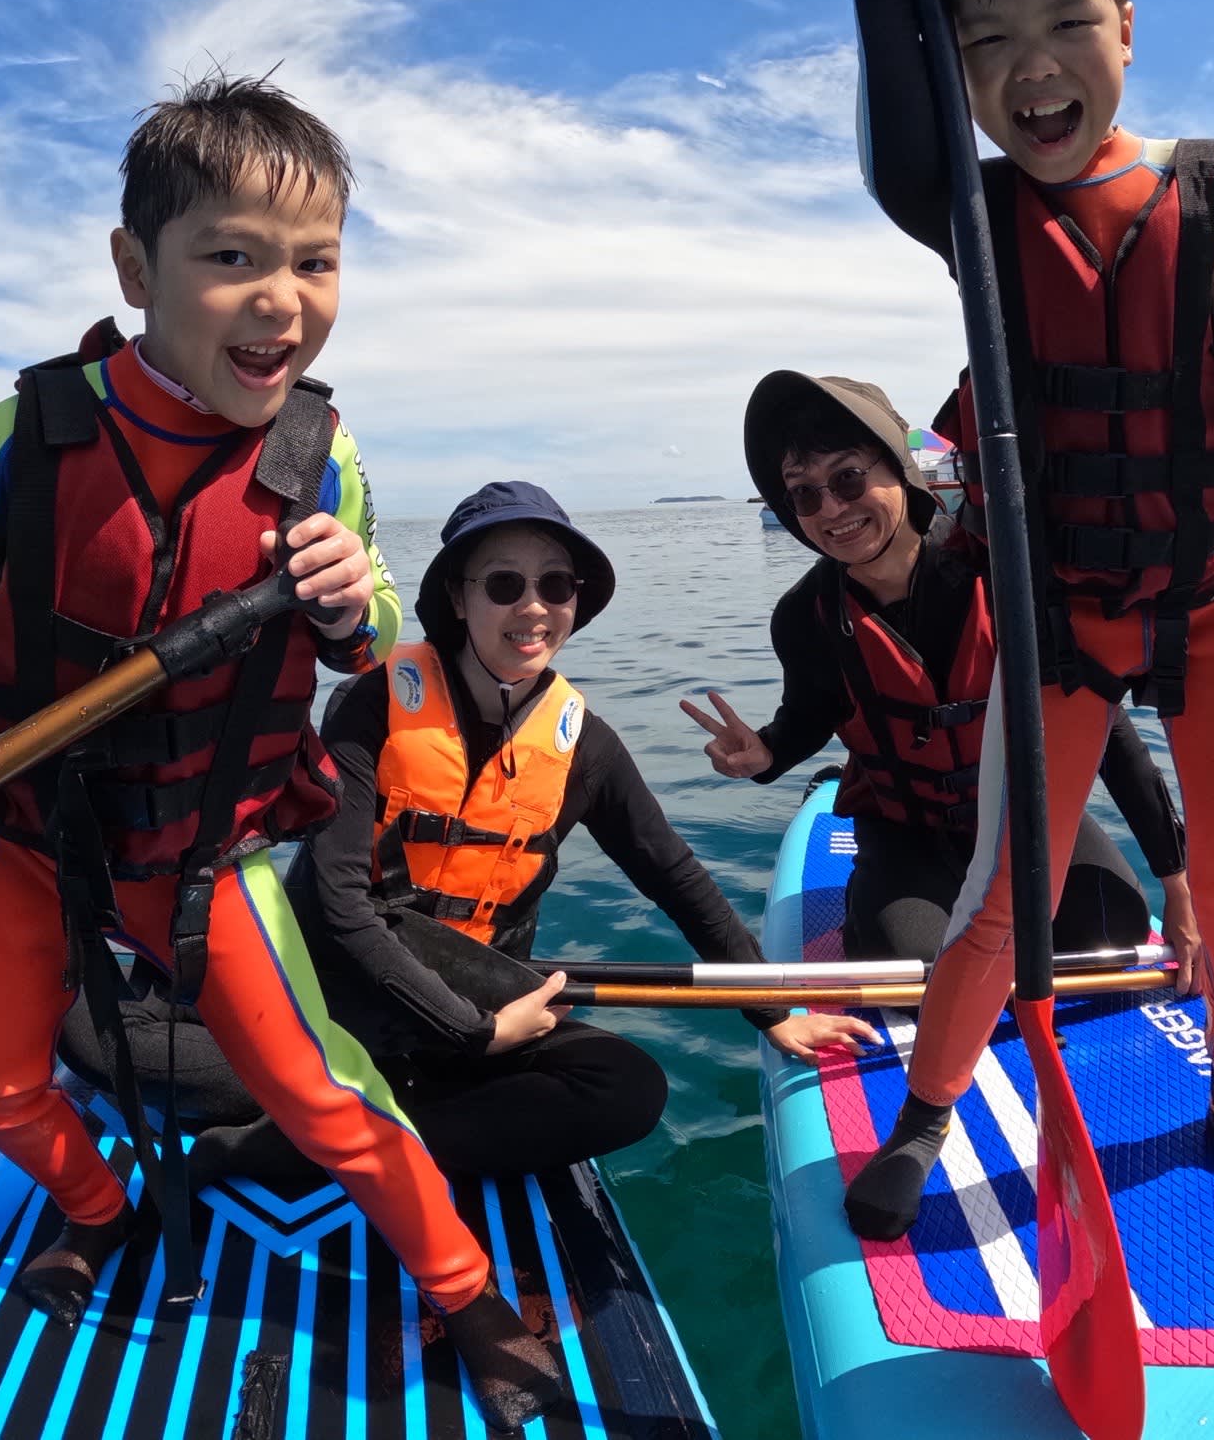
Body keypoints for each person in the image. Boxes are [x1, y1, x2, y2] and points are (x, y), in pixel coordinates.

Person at [0, 73, 560, 1430]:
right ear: (137, 268)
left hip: (204, 859)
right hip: (44, 844)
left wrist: (353, 604)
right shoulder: (34, 431)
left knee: (323, 1096)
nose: (280, 300)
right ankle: (99, 1204)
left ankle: (468, 1292)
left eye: (315, 262)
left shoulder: (324, 456)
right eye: (231, 257)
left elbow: (377, 633)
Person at [844, 0, 1214, 1234]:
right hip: (1058, 613)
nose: (1033, 68)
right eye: (986, 44)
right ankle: (927, 1116)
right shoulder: (974, 211)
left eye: (1068, 25)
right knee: (1006, 891)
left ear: (1128, 31)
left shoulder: (1203, 188)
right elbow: (899, 145)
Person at [249, 481, 873, 1185]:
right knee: (214, 1064)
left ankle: (351, 1135)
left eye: (555, 585)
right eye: (505, 584)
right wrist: (473, 1031)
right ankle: (297, 1143)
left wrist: (773, 1013)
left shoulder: (585, 746)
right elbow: (337, 904)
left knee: (628, 1088)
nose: (535, 608)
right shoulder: (371, 704)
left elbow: (674, 876)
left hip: (475, 1004)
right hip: (348, 990)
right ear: (458, 598)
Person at [683, 371, 1198, 979]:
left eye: (848, 478)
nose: (832, 510)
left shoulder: (1009, 577)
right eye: (804, 494)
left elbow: (1108, 734)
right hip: (904, 829)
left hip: (1022, 815)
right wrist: (766, 753)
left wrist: (1180, 884)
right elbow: (810, 715)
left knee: (1111, 932)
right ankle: (874, 905)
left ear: (898, 467)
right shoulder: (805, 617)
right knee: (913, 968)